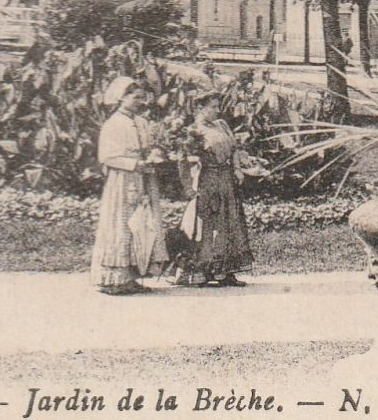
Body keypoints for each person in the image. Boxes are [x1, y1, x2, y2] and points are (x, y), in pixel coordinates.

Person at [91, 77, 169, 295]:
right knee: (121, 224)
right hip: (122, 181)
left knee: (142, 225)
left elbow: (149, 147)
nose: (139, 102)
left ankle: (132, 275)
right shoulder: (113, 124)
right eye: (135, 98)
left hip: (143, 179)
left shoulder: (142, 122)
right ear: (122, 98)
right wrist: (134, 164)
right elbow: (107, 157)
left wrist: (153, 156)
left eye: (142, 98)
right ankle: (114, 278)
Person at [172, 92, 256, 287]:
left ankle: (223, 271)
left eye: (218, 107)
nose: (218, 110)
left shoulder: (221, 125)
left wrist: (237, 169)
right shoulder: (193, 131)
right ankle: (199, 270)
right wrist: (188, 187)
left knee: (228, 221)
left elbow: (234, 149)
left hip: (226, 179)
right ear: (200, 108)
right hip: (207, 180)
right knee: (206, 223)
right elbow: (182, 161)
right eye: (213, 107)